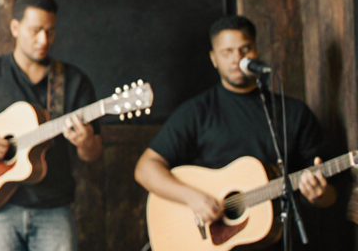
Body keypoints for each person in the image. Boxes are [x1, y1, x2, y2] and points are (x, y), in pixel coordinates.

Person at [134, 15, 334, 238]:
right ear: (214, 59)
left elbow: (330, 196)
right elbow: (145, 169)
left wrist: (319, 195)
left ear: (256, 50)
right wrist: (192, 197)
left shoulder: (295, 113)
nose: (236, 59)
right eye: (227, 52)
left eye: (244, 49)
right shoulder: (197, 112)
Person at [0, 0, 103, 251]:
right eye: (35, 30)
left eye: (50, 31)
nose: (43, 40)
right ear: (15, 28)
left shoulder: (73, 82)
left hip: (54, 208)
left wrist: (86, 142)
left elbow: (92, 154)